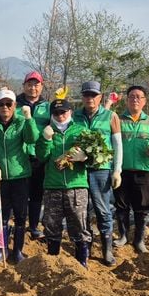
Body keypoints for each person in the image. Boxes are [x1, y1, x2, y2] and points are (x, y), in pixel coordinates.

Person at [0, 88, 39, 264]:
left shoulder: (21, 121)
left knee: (20, 216)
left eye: (8, 104)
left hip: (20, 175)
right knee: (1, 216)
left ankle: (17, 251)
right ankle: (0, 251)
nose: (5, 107)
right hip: (0, 178)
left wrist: (29, 119)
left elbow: (32, 138)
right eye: (1, 104)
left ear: (14, 105)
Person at [35, 98, 91, 268]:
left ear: (70, 112)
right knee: (52, 224)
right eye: (56, 113)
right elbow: (42, 157)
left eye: (63, 112)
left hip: (76, 185)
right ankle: (53, 261)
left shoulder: (81, 130)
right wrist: (46, 140)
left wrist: (85, 157)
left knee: (79, 224)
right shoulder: (47, 132)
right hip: (53, 185)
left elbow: (93, 157)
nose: (60, 116)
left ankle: (82, 263)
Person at [73, 80, 123, 266]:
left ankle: (107, 250)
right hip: (79, 170)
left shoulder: (110, 116)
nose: (90, 99)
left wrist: (117, 170)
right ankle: (85, 247)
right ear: (82, 97)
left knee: (102, 210)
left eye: (93, 95)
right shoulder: (75, 116)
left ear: (100, 97)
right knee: (81, 210)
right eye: (86, 95)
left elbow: (117, 145)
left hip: (101, 170)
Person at [114, 85, 149, 254]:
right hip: (122, 170)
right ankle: (123, 236)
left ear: (144, 101)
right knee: (121, 205)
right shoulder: (118, 120)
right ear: (127, 100)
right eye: (132, 96)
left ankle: (139, 239)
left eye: (139, 97)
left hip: (143, 170)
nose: (135, 99)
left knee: (142, 207)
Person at [16, 71, 51, 240]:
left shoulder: (48, 107)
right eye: (29, 84)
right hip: (20, 155)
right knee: (21, 194)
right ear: (24, 86)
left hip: (40, 156)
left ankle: (34, 226)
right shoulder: (14, 104)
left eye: (36, 85)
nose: (32, 88)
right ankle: (19, 225)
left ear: (41, 87)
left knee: (37, 194)